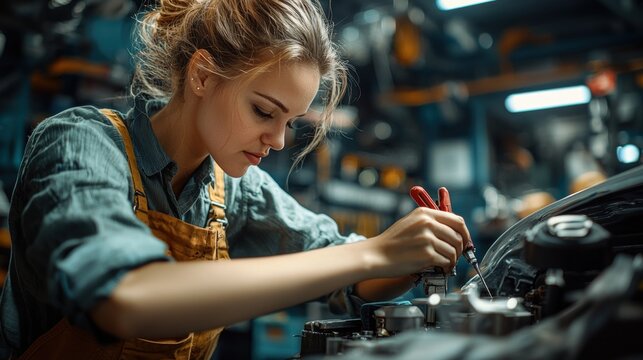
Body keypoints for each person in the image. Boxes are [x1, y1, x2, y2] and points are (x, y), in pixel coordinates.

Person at [0, 0, 469, 358]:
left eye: (291, 121)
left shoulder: (233, 188)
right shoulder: (81, 142)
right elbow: (126, 297)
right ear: (202, 75)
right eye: (264, 111)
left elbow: (345, 280)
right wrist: (370, 253)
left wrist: (406, 255)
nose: (280, 141)